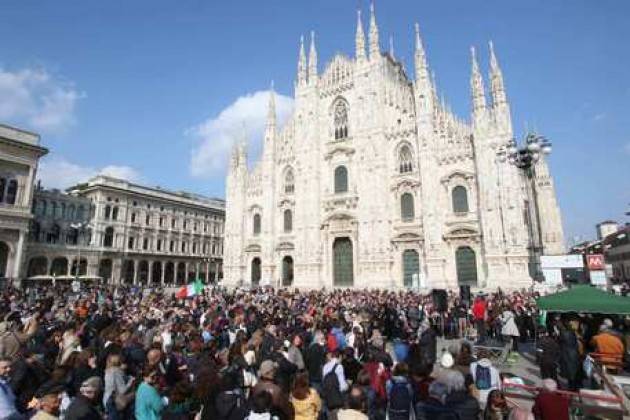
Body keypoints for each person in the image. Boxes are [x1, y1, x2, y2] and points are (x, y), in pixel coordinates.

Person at [103, 353, 135, 420]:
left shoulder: (108, 371)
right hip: (115, 401)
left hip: (107, 399)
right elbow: (122, 390)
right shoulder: (117, 372)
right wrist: (131, 382)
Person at [322, 350, 349, 420]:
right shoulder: (339, 366)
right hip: (338, 397)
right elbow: (343, 387)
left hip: (328, 397)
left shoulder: (325, 366)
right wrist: (348, 384)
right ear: (340, 356)